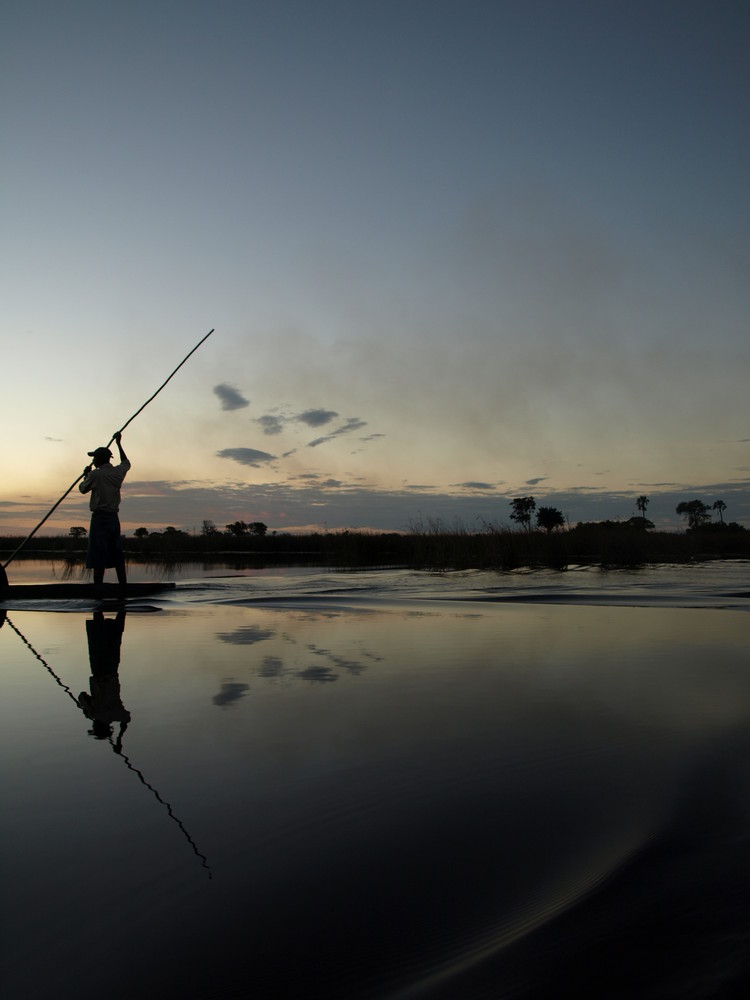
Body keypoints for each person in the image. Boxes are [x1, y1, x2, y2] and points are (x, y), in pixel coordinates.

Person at [79, 431, 131, 586]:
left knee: (98, 553)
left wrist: (85, 475)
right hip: (114, 519)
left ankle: (98, 588)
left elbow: (82, 488)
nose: (93, 461)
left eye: (94, 458)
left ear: (100, 459)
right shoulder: (117, 473)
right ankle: (123, 586)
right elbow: (126, 462)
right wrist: (119, 444)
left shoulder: (95, 475)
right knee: (116, 552)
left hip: (100, 519)